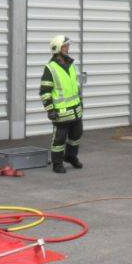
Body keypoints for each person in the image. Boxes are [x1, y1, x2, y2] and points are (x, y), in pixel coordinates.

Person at [40, 35, 84, 173]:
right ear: (58, 48)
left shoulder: (71, 64)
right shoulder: (50, 68)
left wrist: (80, 103)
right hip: (61, 113)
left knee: (76, 135)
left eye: (68, 46)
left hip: (75, 110)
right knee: (59, 139)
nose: (68, 48)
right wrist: (50, 110)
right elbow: (45, 92)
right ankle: (57, 163)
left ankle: (71, 157)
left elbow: (75, 86)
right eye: (65, 46)